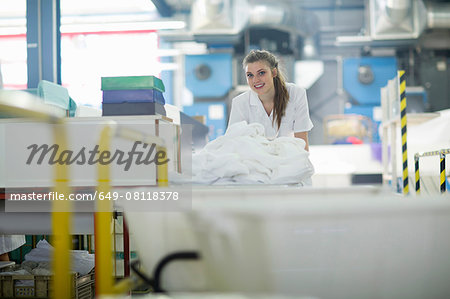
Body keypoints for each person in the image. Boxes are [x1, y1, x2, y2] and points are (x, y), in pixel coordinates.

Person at [228, 50, 313, 151]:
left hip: (288, 160)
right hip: (254, 162)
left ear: (274, 72)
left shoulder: (296, 94)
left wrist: (302, 165)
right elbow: (233, 143)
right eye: (250, 75)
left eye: (261, 73)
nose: (255, 80)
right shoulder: (240, 103)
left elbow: (301, 142)